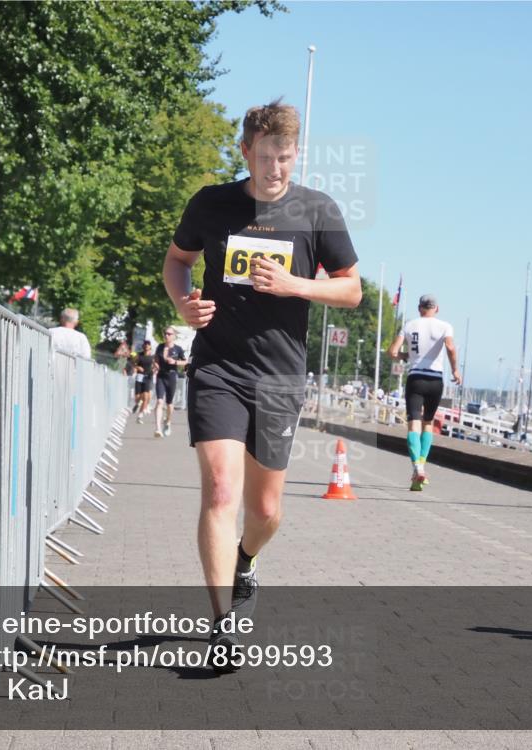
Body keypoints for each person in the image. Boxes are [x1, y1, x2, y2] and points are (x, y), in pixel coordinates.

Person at [163, 99, 361, 672]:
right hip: (218, 367)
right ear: (246, 151)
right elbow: (177, 261)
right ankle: (222, 626)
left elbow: (350, 290)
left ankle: (247, 558)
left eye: (287, 158)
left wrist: (296, 286)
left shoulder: (316, 210)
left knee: (266, 508)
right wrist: (184, 303)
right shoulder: (213, 203)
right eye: (267, 157)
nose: (276, 169)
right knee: (221, 491)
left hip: (279, 376)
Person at [387, 294, 461, 491]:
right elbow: (451, 348)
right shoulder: (445, 326)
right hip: (435, 380)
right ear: (437, 309)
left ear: (419, 308)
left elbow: (392, 351)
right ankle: (421, 465)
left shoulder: (410, 325)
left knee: (413, 424)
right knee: (428, 424)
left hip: (416, 378)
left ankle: (417, 468)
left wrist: (407, 355)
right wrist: (455, 369)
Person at [154, 327, 187, 438]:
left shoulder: (178, 349)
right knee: (159, 402)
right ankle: (158, 429)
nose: (166, 335)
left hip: (172, 376)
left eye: (169, 334)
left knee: (169, 403)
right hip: (161, 376)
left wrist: (175, 362)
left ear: (173, 336)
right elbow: (156, 360)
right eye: (165, 333)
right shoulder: (160, 347)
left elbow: (186, 361)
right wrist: (156, 365)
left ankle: (168, 421)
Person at [133, 341, 155, 423]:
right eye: (145, 345)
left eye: (148, 345)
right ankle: (138, 403)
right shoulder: (139, 355)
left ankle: (140, 415)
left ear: (150, 347)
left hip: (148, 377)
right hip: (139, 376)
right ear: (143, 346)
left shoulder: (153, 356)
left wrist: (154, 369)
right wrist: (138, 367)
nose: (146, 346)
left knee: (146, 397)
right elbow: (134, 364)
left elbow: (156, 364)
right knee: (137, 397)